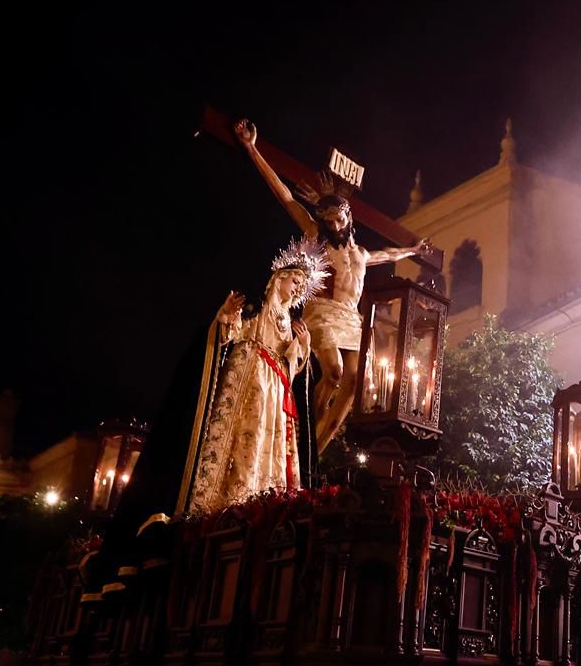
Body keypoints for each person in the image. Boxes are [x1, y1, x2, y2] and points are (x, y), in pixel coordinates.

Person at [234, 119, 436, 452]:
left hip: (351, 319)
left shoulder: (362, 254)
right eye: (328, 221)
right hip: (323, 312)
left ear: (348, 218)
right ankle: (301, 432)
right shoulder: (318, 238)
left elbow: (390, 254)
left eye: (339, 220)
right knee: (334, 373)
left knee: (355, 383)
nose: (334, 226)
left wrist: (414, 250)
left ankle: (316, 448)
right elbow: (286, 197)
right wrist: (252, 148)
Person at [187, 240, 326, 514]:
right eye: (295, 281)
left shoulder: (290, 324)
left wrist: (304, 346)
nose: (297, 288)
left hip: (276, 388)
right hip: (252, 376)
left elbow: (293, 367)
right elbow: (231, 335)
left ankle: (263, 504)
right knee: (246, 438)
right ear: (279, 277)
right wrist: (228, 315)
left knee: (269, 441)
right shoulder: (258, 308)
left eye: (301, 286)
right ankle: (231, 501)